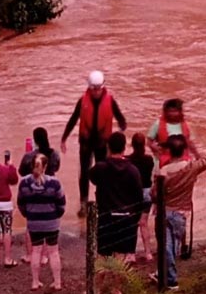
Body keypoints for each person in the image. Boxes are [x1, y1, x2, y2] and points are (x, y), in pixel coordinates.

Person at [150, 136, 206, 290]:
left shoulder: (163, 172)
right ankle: (166, 275)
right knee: (172, 246)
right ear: (184, 151)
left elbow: (154, 195)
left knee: (166, 245)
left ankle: (170, 279)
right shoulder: (191, 167)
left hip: (164, 212)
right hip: (181, 213)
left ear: (169, 151)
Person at [61, 70, 127, 217]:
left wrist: (120, 135)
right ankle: (84, 204)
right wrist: (64, 138)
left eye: (99, 88)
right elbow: (73, 119)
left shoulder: (110, 100)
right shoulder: (82, 101)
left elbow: (121, 120)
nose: (96, 92)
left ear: (102, 87)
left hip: (103, 143)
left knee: (103, 173)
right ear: (90, 88)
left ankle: (102, 202)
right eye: (94, 89)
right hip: (86, 143)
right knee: (84, 173)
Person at [89, 131, 143, 263]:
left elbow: (92, 178)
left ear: (108, 147)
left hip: (106, 219)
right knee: (121, 262)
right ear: (125, 148)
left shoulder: (100, 168)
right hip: (126, 221)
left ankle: (105, 282)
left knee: (104, 260)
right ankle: (117, 282)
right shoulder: (133, 171)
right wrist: (134, 219)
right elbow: (139, 199)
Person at [18, 154, 66, 292]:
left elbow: (21, 203)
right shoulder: (54, 183)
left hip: (34, 222)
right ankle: (57, 282)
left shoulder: (24, 183)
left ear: (32, 166)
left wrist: (28, 215)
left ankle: (35, 281)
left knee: (36, 251)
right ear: (45, 167)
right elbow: (62, 203)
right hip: (51, 222)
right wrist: (56, 215)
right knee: (53, 252)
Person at [19, 127, 62, 263]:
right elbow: (56, 168)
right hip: (50, 189)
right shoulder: (54, 154)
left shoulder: (29, 156)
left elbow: (21, 171)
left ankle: (30, 254)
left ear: (35, 140)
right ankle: (44, 256)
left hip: (33, 188)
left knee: (31, 225)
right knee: (47, 225)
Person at [147, 98, 200, 168]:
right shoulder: (158, 124)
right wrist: (154, 147)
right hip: (163, 161)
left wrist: (197, 156)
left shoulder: (185, 125)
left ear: (180, 111)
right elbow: (149, 141)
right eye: (170, 111)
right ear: (165, 112)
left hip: (183, 161)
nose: (172, 114)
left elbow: (189, 142)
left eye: (175, 111)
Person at [127, 132, 154, 262]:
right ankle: (148, 252)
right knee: (144, 223)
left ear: (132, 144)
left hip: (132, 193)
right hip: (147, 193)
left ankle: (131, 254)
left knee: (132, 224)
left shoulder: (128, 161)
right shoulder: (149, 160)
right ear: (144, 144)